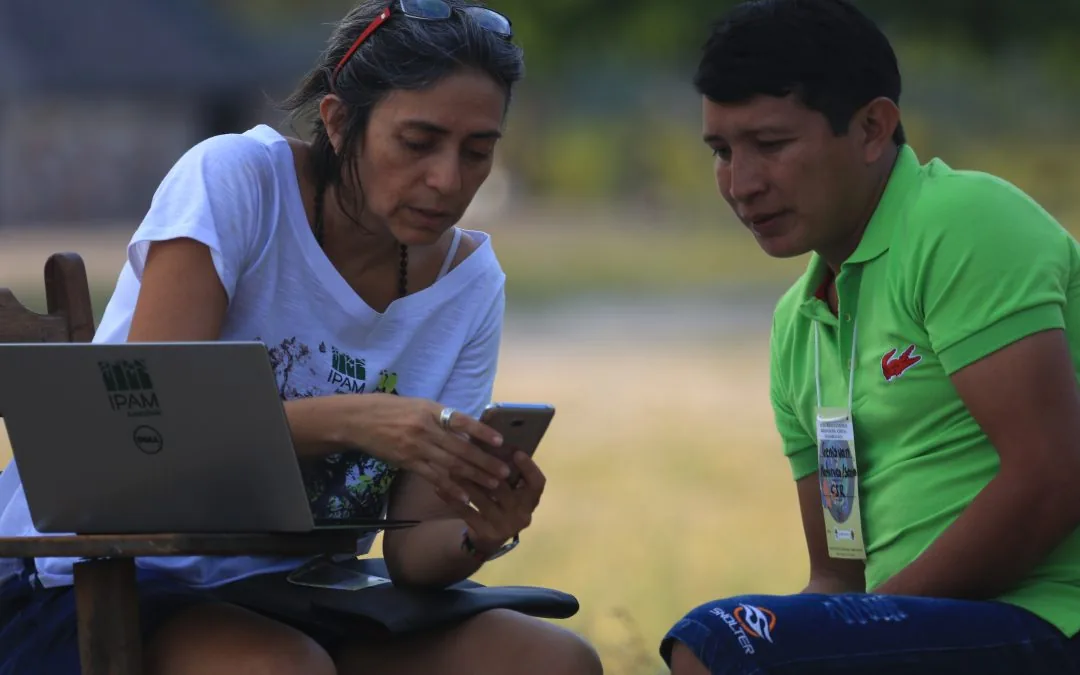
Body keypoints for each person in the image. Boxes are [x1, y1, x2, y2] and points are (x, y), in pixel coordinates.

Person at [0, 1, 602, 673]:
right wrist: (355, 420)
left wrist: (479, 532)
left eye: (478, 152)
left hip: (297, 594)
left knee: (551, 660)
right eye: (419, 142)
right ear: (340, 122)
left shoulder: (469, 283)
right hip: (99, 571)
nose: (448, 180)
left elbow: (413, 548)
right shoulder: (238, 181)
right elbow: (148, 435)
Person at [662, 0, 1080, 673]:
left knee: (723, 635)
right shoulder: (798, 326)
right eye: (720, 151)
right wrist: (846, 626)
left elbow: (1053, 477)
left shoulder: (960, 220)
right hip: (921, 627)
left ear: (871, 128)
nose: (741, 184)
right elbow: (837, 575)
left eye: (770, 145)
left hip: (1053, 617)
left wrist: (865, 625)